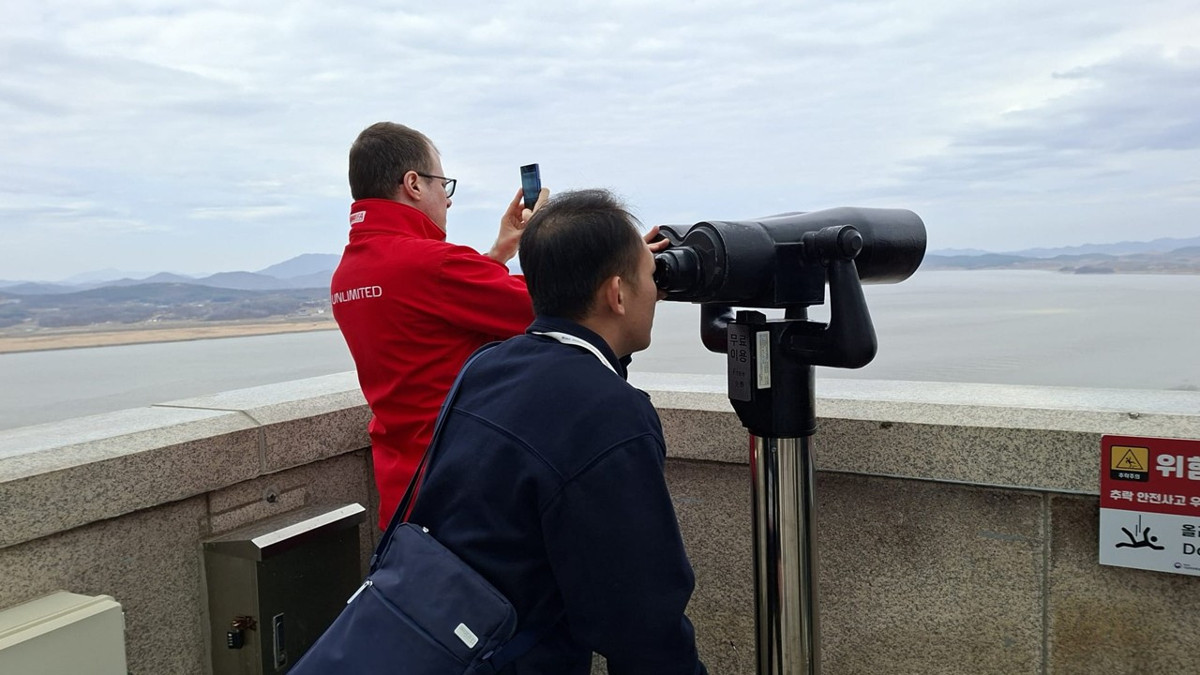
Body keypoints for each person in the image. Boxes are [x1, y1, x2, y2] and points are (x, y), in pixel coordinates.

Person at [408, 190, 708, 674]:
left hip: (439, 638)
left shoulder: (488, 366)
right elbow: (639, 621)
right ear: (616, 294)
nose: (657, 292)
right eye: (651, 279)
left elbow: (577, 373)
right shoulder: (612, 415)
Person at [331, 122, 542, 529]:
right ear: (413, 183)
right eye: (442, 184)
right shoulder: (430, 263)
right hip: (462, 491)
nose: (447, 200)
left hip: (402, 491)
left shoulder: (349, 272)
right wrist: (617, 265)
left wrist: (497, 254)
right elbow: (553, 306)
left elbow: (428, 308)